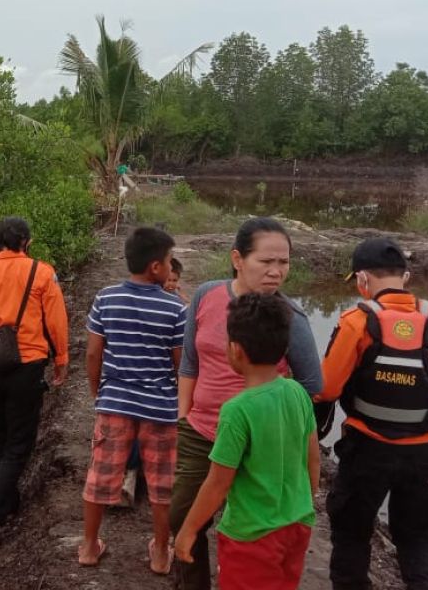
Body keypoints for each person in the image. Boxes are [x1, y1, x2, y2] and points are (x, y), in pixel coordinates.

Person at [169, 217, 323, 590]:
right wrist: (183, 416)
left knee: (247, 525)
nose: (276, 272)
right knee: (184, 518)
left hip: (257, 443)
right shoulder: (207, 295)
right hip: (202, 430)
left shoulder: (290, 318)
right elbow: (190, 361)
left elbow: (311, 385)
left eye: (283, 262)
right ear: (238, 259)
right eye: (266, 261)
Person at [316, 237, 428, 590]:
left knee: (352, 535)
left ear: (362, 280)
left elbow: (327, 388)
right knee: (417, 540)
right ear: (406, 276)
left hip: (367, 451)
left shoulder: (356, 321)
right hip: (427, 453)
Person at [79, 227, 185, 573]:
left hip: (115, 403)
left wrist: (100, 393)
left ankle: (90, 546)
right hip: (160, 407)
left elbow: (94, 353)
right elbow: (180, 363)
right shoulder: (175, 308)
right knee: (161, 481)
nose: (172, 268)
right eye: (170, 262)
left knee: (99, 476)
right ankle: (159, 552)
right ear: (156, 267)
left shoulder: (105, 299)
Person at [0, 216, 70, 550]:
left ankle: (7, 507)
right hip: (28, 366)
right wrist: (62, 359)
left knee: (3, 438)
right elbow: (56, 320)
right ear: (27, 242)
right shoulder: (42, 272)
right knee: (20, 445)